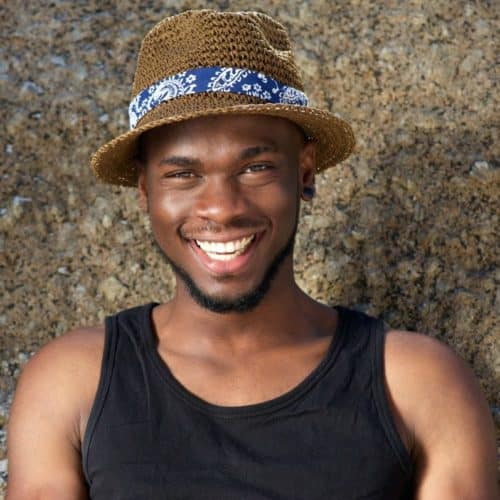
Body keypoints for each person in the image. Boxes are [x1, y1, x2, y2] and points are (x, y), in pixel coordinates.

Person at [6, 9, 498, 500]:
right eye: (182, 174)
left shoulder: (417, 385)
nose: (221, 208)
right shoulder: (72, 382)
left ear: (304, 172)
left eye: (256, 167)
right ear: (144, 189)